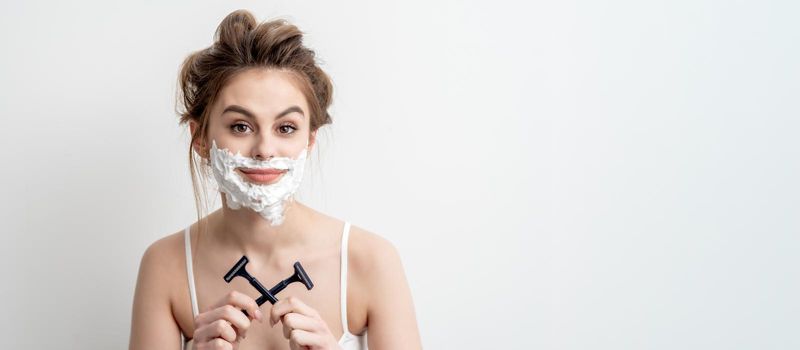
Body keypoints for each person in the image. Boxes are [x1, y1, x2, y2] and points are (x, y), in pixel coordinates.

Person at [129, 9, 421, 350]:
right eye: (240, 126)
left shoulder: (371, 261)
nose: (265, 149)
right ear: (201, 139)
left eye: (286, 128)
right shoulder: (165, 266)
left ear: (309, 140)